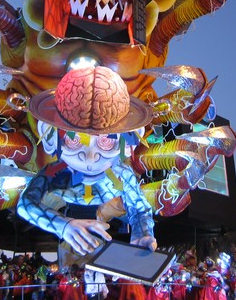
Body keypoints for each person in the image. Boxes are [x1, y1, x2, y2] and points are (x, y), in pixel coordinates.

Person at [16, 66, 156, 256]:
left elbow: (140, 209)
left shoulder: (122, 175)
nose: (90, 157)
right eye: (73, 141)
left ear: (130, 140)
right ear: (49, 136)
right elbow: (25, 203)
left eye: (106, 142)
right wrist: (62, 225)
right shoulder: (55, 173)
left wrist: (143, 232)